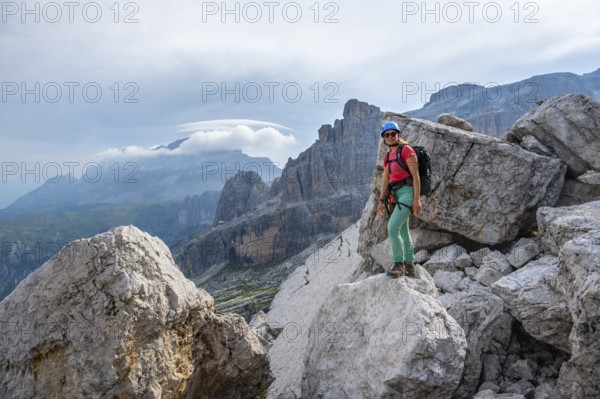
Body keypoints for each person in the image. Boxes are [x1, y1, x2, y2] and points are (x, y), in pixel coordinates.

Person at [376, 121, 422, 278]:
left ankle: (398, 264)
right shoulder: (387, 157)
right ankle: (410, 266)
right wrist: (381, 201)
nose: (390, 137)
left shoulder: (407, 150)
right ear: (384, 137)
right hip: (395, 195)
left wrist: (417, 199)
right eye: (386, 134)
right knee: (403, 229)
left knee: (392, 227)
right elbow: (385, 180)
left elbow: (415, 176)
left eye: (393, 134)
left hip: (408, 193)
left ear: (398, 135)